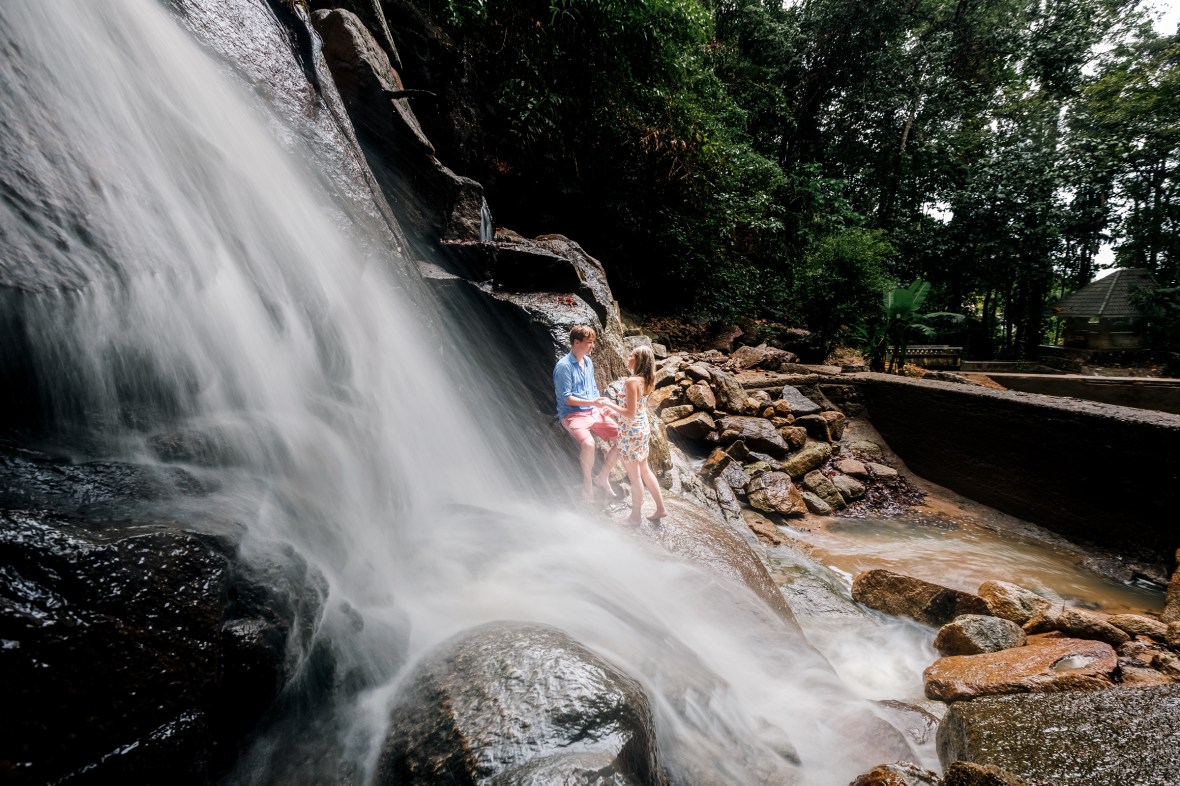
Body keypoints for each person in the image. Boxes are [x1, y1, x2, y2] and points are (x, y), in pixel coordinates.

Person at [598, 345, 667, 524]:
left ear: (638, 360)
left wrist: (608, 403)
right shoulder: (648, 379)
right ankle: (661, 508)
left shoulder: (631, 382)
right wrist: (613, 412)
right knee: (644, 470)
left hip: (630, 432)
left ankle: (635, 516)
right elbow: (635, 409)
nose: (628, 358)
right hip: (642, 428)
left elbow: (629, 413)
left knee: (635, 476)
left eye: (631, 356)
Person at [553, 324, 620, 501]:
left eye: (593, 342)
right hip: (572, 415)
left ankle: (602, 476)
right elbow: (567, 399)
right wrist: (593, 402)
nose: (592, 346)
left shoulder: (588, 361)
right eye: (589, 342)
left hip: (592, 411)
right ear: (577, 342)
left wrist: (601, 406)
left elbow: (592, 389)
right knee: (589, 444)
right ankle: (587, 483)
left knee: (623, 438)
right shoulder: (563, 367)